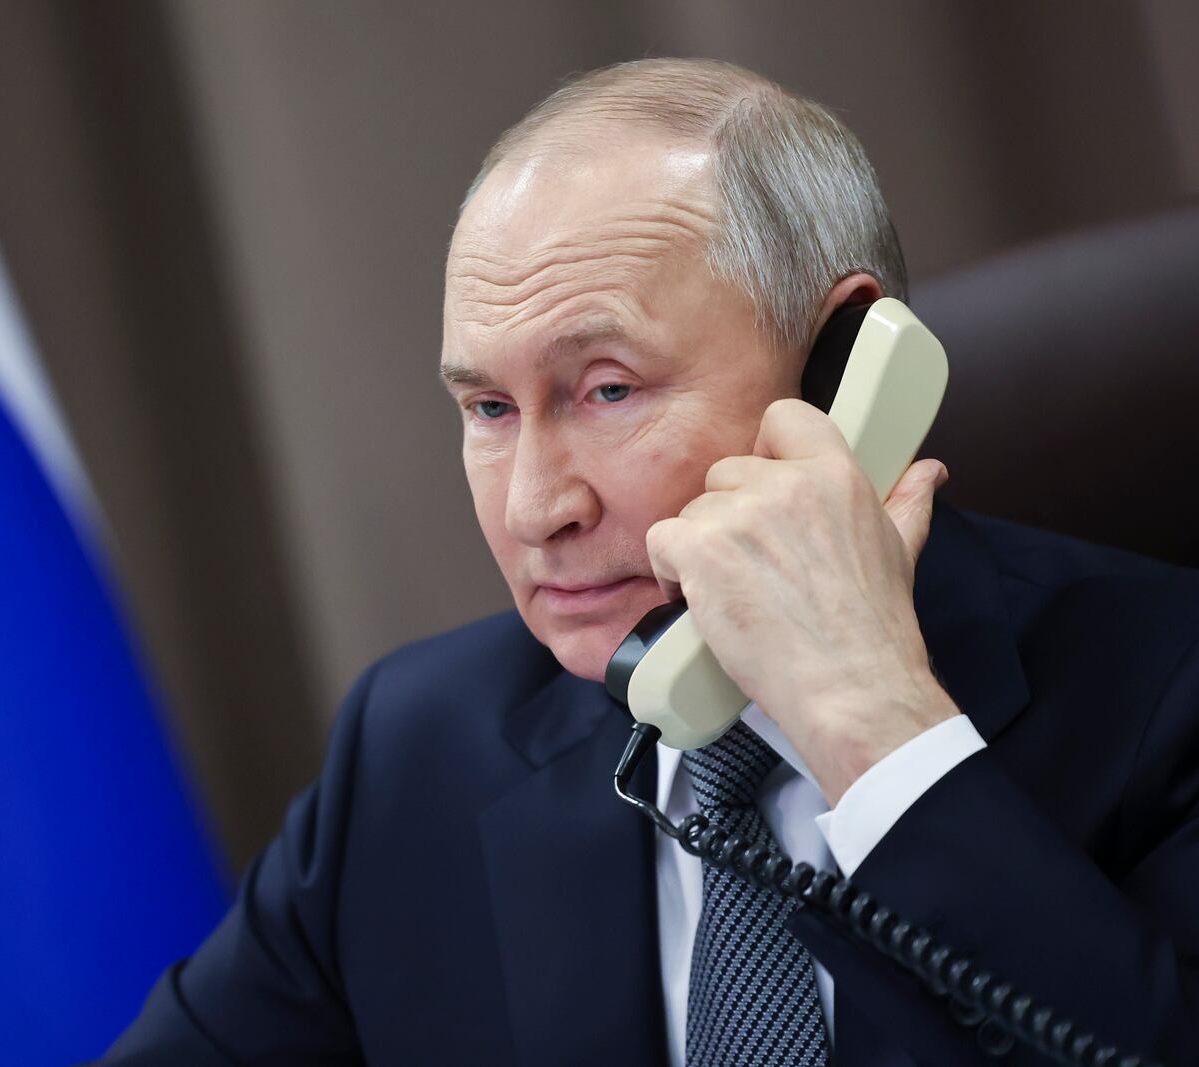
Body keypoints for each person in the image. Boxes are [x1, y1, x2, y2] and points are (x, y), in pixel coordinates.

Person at [100, 58, 1199, 1066]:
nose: (536, 505)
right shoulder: (415, 751)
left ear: (839, 368)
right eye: (487, 406)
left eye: (608, 389)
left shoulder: (1167, 692)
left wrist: (873, 727)